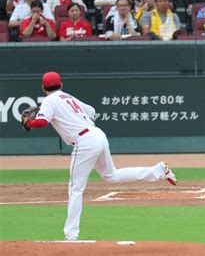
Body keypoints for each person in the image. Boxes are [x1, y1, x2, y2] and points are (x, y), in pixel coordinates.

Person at [23, 71, 177, 240]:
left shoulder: (49, 101)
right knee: (112, 175)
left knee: (76, 188)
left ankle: (71, 235)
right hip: (97, 134)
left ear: (43, 87)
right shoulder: (67, 97)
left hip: (84, 142)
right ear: (61, 85)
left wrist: (29, 122)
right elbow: (92, 111)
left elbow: (42, 122)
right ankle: (158, 170)